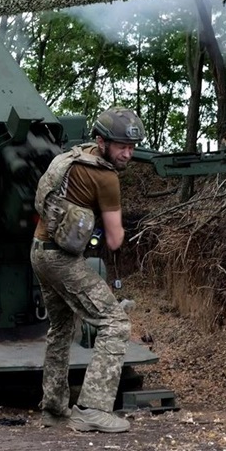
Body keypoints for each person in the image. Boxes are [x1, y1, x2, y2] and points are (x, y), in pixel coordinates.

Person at [30, 107, 144, 433]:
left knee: (60, 331)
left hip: (39, 251)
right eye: (122, 145)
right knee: (115, 322)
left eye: (132, 147)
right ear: (101, 141)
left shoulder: (71, 157)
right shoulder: (105, 177)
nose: (128, 153)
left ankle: (53, 410)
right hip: (62, 260)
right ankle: (93, 409)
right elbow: (115, 237)